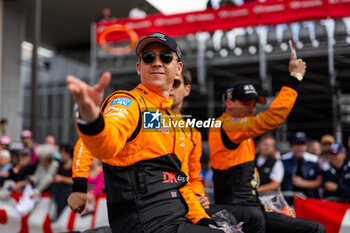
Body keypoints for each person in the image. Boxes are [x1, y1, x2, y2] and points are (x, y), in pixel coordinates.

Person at [66, 32, 223, 233]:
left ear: (178, 69)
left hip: (175, 218)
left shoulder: (175, 125)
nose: (157, 62)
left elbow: (183, 183)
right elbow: (106, 144)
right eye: (148, 57)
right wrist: (91, 121)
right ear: (139, 68)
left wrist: (203, 220)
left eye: (165, 57)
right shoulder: (129, 102)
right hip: (146, 223)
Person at [209, 53, 325, 233]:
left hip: (251, 208)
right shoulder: (226, 126)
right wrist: (294, 78)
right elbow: (273, 118)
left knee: (310, 226)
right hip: (238, 212)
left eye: (255, 103)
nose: (252, 108)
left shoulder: (238, 130)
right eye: (246, 102)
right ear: (229, 102)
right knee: (313, 229)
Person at [282, 132, 322, 199]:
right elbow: (277, 182)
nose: (300, 147)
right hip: (288, 201)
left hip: (309, 199)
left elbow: (320, 181)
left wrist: (303, 183)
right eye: (297, 144)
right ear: (291, 146)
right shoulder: (283, 160)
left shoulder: (314, 160)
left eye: (302, 144)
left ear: (306, 146)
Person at [50, 144, 73, 221]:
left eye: (62, 152)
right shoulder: (60, 164)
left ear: (68, 153)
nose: (61, 154)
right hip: (59, 191)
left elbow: (76, 181)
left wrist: (62, 179)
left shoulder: (75, 165)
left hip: (68, 192)